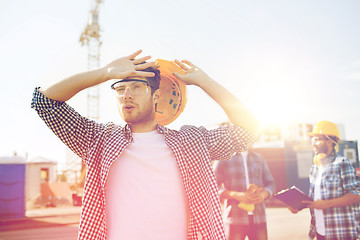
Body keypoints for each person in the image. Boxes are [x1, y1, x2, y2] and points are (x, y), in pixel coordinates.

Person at [31, 49, 260, 240]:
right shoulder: (98, 140)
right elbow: (44, 102)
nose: (126, 95)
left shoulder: (191, 142)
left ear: (156, 96)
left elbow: (251, 129)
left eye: (137, 87)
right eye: (120, 89)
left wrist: (205, 82)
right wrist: (104, 72)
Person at [290, 120, 360, 240]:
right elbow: (317, 200)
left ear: (329, 141)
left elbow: (356, 194)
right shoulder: (314, 169)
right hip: (319, 232)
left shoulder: (342, 163)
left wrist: (326, 204)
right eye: (312, 139)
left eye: (317, 139)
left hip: (340, 233)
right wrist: (299, 206)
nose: (313, 143)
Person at [213, 145, 275, 240]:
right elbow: (212, 187)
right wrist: (235, 195)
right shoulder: (222, 158)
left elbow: (271, 184)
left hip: (259, 218)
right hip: (234, 218)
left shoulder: (259, 158)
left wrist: (264, 194)